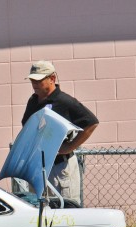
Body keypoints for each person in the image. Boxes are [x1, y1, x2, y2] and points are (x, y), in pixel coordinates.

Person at [22, 60, 99, 204]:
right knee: (39, 212)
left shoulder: (64, 101)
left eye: (38, 80)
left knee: (64, 212)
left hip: (59, 168)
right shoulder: (33, 101)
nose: (34, 84)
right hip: (38, 167)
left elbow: (91, 123)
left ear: (52, 79)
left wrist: (69, 147)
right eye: (32, 80)